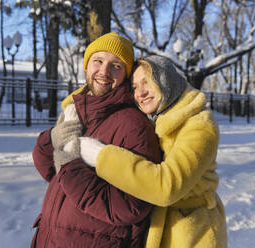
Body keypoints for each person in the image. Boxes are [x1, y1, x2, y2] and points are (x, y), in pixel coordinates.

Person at [62, 55, 228, 248]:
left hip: (192, 233)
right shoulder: (155, 115)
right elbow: (102, 91)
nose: (140, 93)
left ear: (165, 80)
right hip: (156, 228)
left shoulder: (199, 125)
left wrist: (101, 156)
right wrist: (72, 106)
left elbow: (167, 187)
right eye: (134, 87)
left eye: (147, 82)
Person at [31, 33, 162, 248]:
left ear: (126, 75)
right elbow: (50, 172)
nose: (104, 72)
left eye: (116, 66)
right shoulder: (77, 111)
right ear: (87, 65)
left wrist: (69, 164)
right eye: (98, 61)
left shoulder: (134, 126)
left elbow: (132, 206)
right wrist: (52, 138)